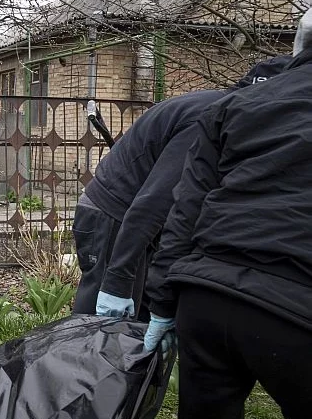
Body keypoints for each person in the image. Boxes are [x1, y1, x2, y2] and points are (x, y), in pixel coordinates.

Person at [142, 9, 312, 418]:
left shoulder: (237, 104)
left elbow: (186, 208)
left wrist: (162, 305)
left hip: (206, 302)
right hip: (296, 308)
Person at [72, 54, 291, 318]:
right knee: (96, 329)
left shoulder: (222, 109)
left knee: (136, 328)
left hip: (134, 219)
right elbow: (153, 202)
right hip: (114, 216)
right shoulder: (209, 119)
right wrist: (117, 280)